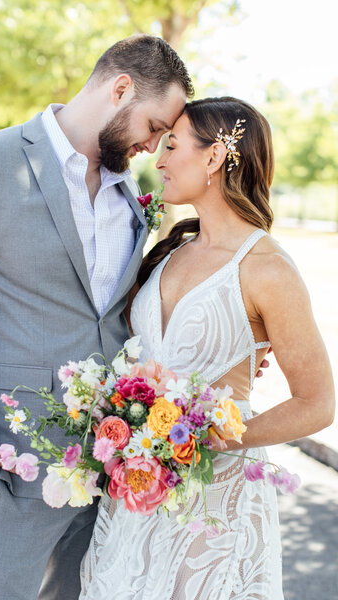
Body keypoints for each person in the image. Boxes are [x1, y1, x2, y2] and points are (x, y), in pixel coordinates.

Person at [0, 35, 192, 600]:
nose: (154, 147)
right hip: (9, 469)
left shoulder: (133, 193)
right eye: (153, 126)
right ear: (120, 89)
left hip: (113, 467)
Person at [79, 97, 335, 599]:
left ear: (214, 158)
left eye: (172, 146)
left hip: (215, 504)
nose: (159, 160)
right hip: (136, 496)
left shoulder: (268, 269)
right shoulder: (168, 250)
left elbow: (318, 403)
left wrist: (213, 439)